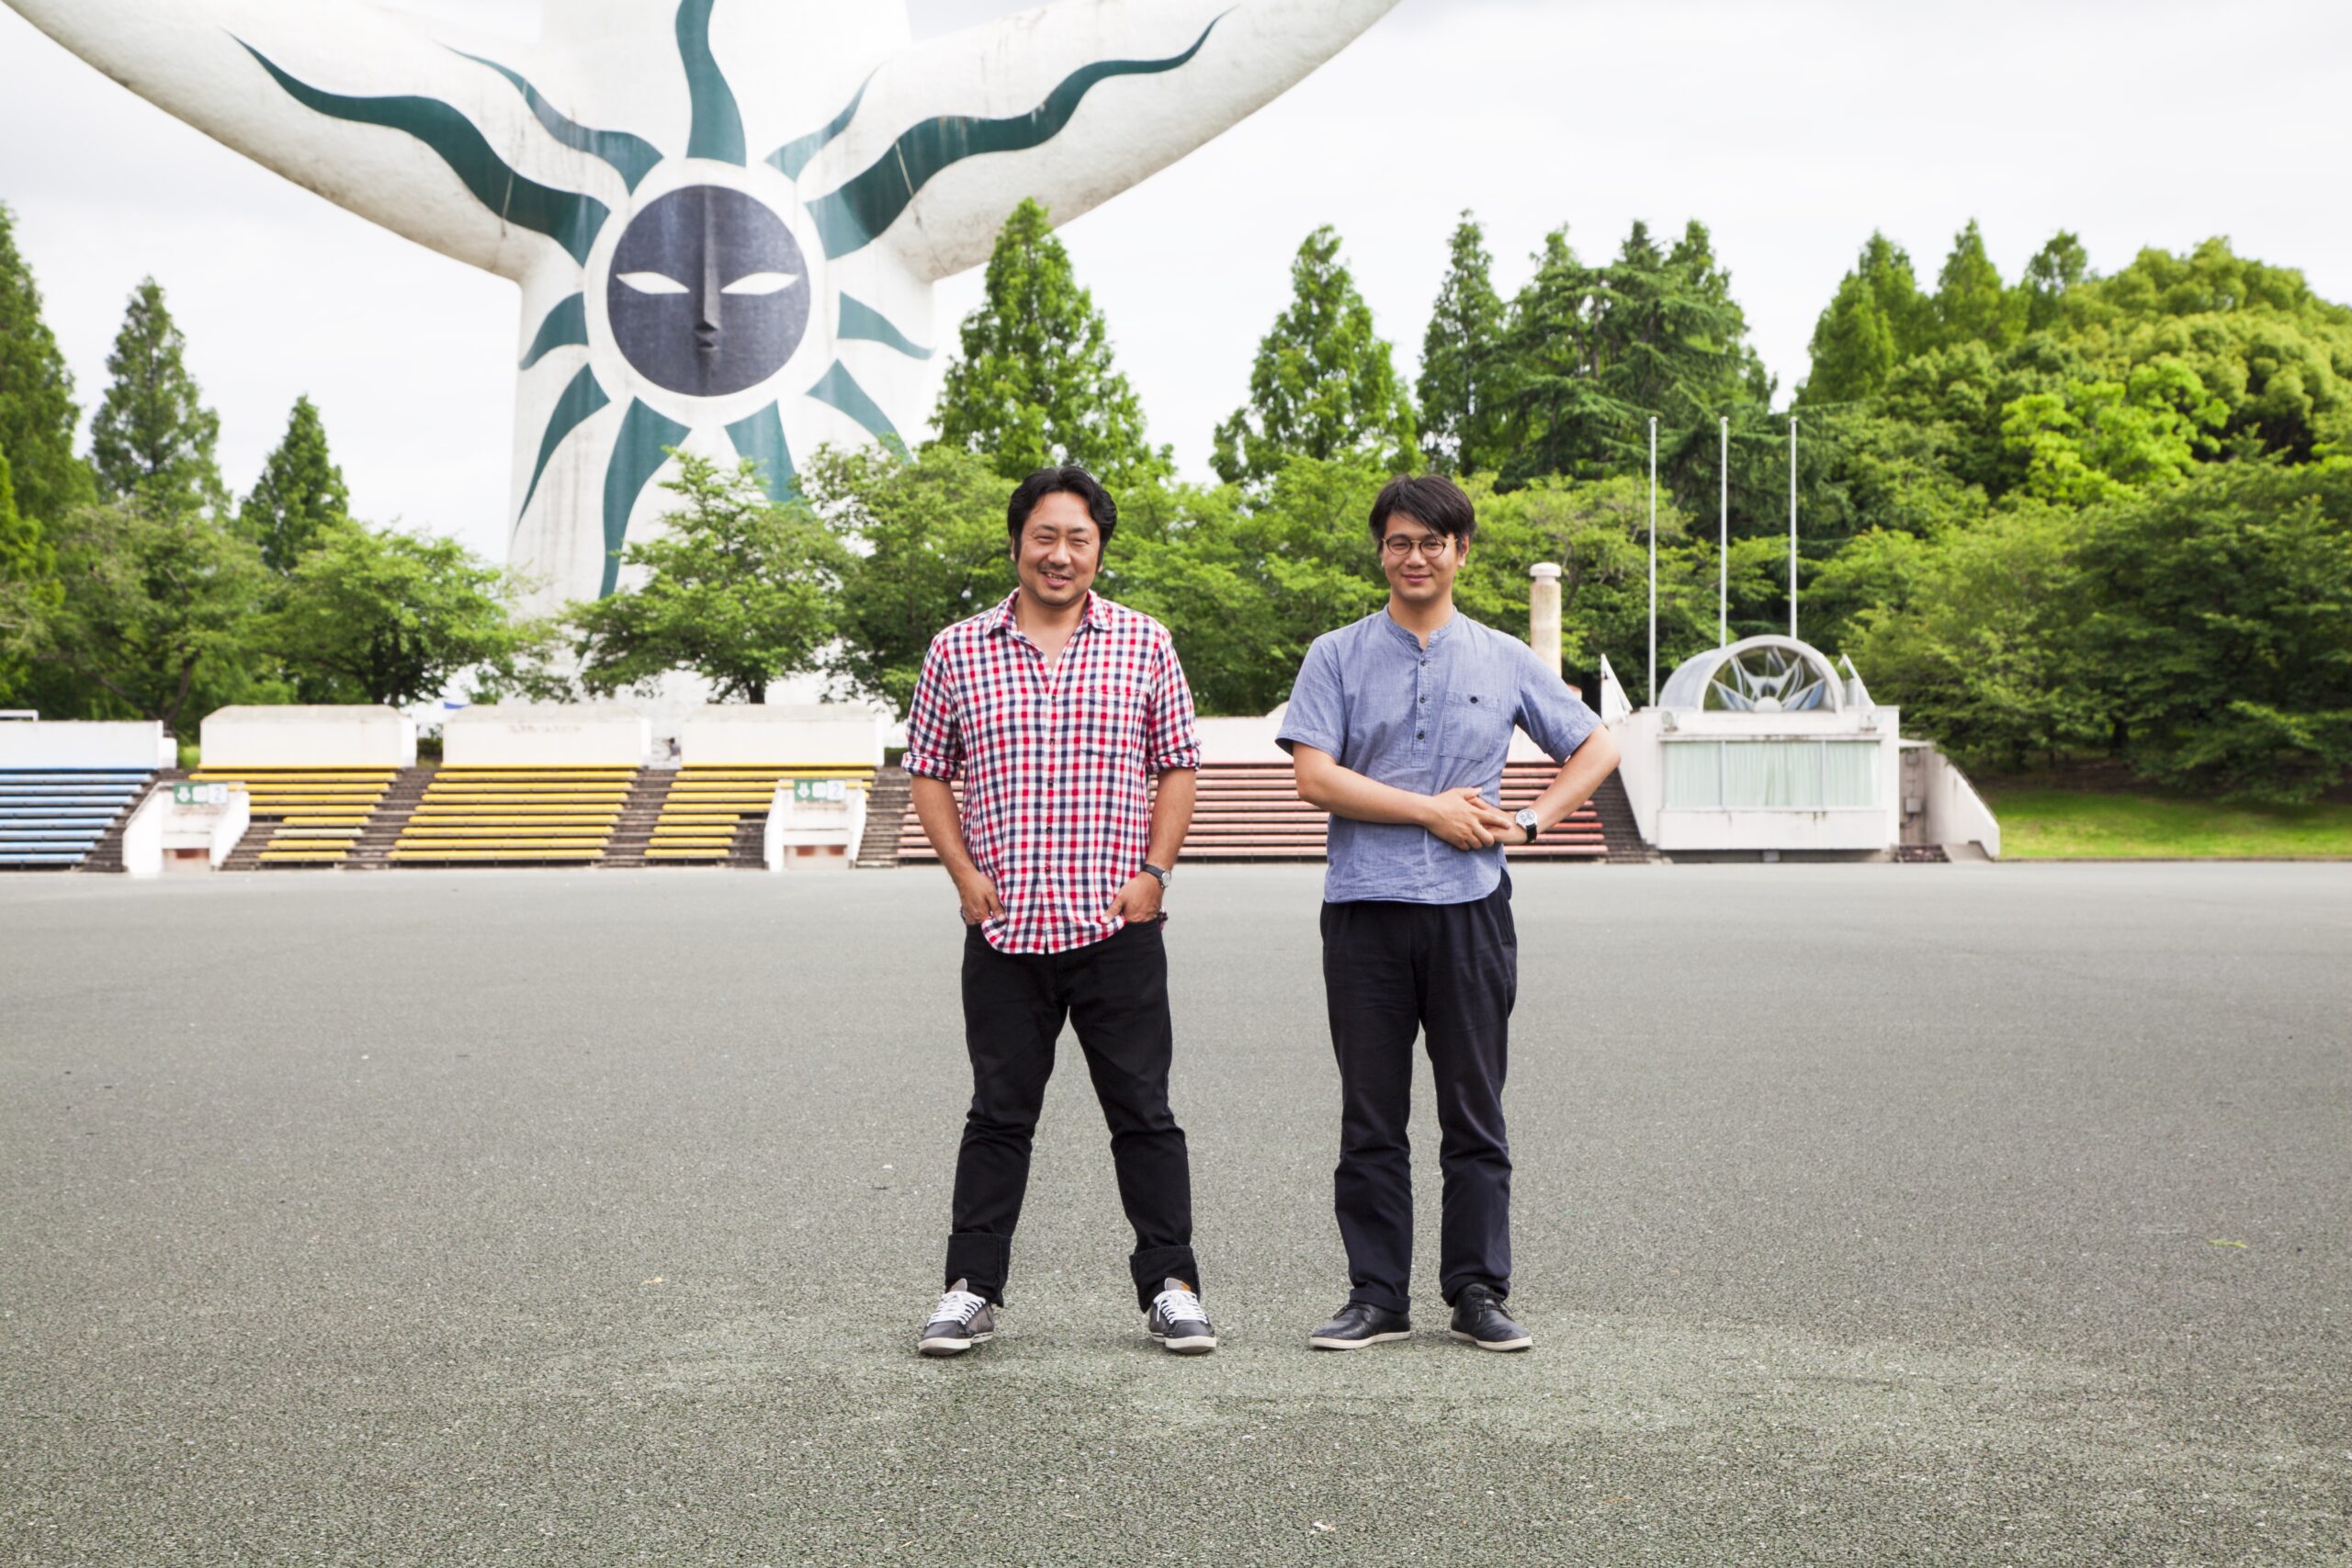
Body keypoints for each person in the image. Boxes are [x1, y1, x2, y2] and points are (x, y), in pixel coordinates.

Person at [1277, 473, 1622, 1353]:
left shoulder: (1503, 655)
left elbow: (1597, 742)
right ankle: (1376, 1294)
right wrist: (1431, 809)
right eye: (1399, 541)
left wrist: (1536, 817)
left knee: (1475, 1109)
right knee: (1371, 1112)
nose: (1416, 556)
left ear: (1462, 552)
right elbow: (1314, 777)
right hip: (1364, 909)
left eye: (1434, 542)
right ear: (1381, 551)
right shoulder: (1337, 654)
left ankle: (1477, 1289)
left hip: (1472, 909)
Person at [901, 464, 1216, 1358]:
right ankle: (969, 1289)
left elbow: (1179, 764)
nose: (1060, 553)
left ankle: (1172, 1285)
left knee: (1143, 1114)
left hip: (1117, 928)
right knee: (999, 1113)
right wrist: (961, 873)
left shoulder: (1143, 643)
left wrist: (1155, 871)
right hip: (1002, 928)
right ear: (1016, 544)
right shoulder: (957, 649)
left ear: (1099, 550)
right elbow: (927, 769)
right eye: (1045, 535)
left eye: (1079, 538)